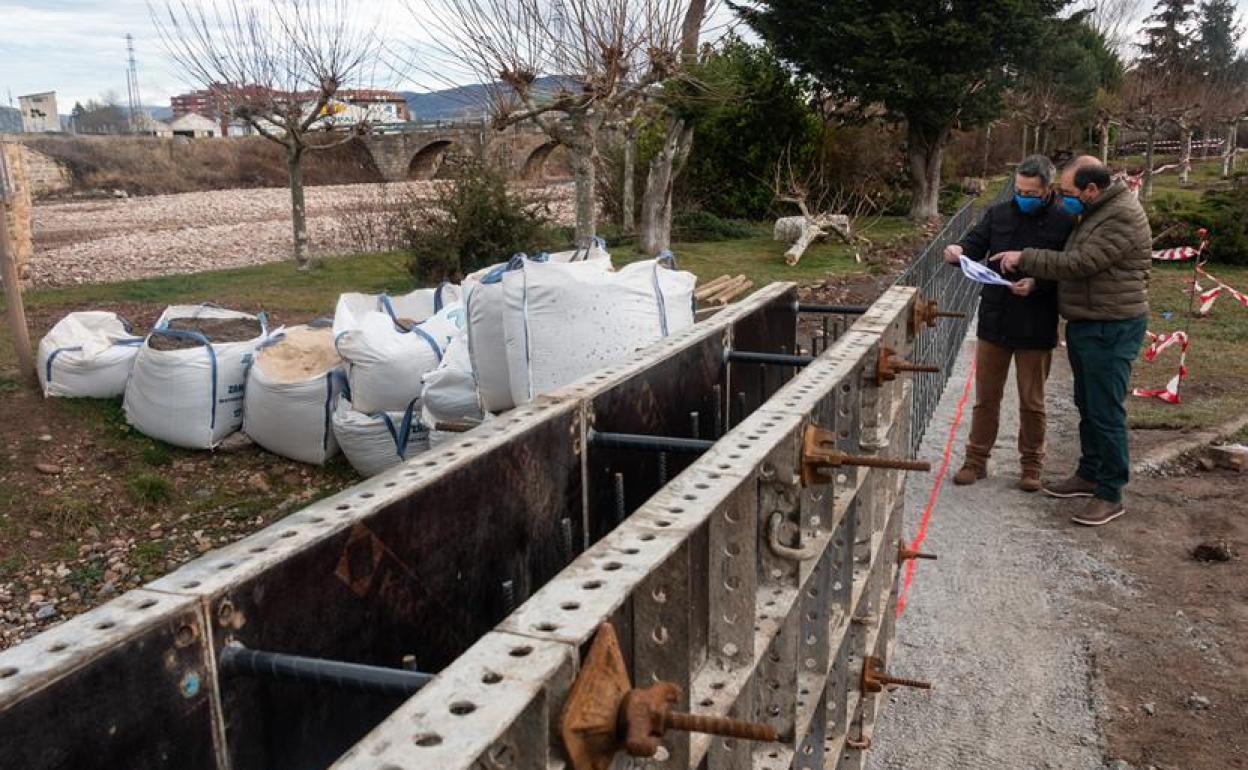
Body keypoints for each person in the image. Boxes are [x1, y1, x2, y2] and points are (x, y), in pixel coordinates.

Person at [993, 156, 1151, 527]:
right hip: (1089, 322)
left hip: (1111, 326)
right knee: (1087, 403)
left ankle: (1110, 492)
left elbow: (1081, 262)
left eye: (1068, 193)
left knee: (1105, 410)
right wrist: (1038, 280)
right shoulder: (1097, 211)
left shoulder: (1121, 217)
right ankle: (1089, 472)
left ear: (1091, 189)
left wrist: (1026, 258)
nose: (1063, 200)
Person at [944, 155, 1074, 492]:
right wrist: (959, 251)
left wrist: (1037, 283)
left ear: (1047, 190)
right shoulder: (999, 214)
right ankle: (976, 460)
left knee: (1032, 401)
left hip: (1036, 323)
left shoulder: (1064, 223)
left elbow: (1068, 270)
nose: (1023, 197)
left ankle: (1032, 464)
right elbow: (974, 244)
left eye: (1030, 192)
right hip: (995, 319)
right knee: (986, 396)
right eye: (1019, 190)